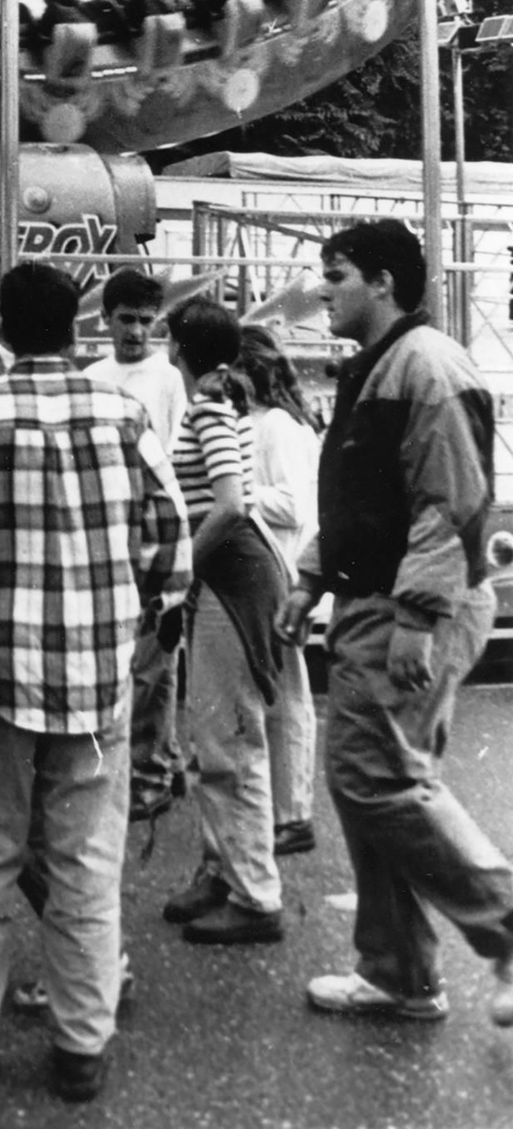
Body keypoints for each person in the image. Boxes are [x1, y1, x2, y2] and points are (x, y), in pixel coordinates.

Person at [0, 261, 190, 1104]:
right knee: (85, 862)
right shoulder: (124, 413)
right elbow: (167, 536)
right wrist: (146, 620)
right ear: (80, 324)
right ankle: (80, 1043)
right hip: (97, 676)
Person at [278, 219, 513, 1026]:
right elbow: (363, 499)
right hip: (383, 600)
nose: (322, 290)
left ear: (382, 281)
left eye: (335, 274)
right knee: (373, 781)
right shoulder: (384, 366)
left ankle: (502, 926)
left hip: (408, 606)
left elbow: (448, 501)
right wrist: (311, 576)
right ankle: (397, 972)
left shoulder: (423, 367)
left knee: (376, 779)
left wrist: (415, 612)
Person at [161, 297, 286, 947]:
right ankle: (221, 869)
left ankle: (255, 895)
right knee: (213, 730)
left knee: (229, 740)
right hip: (232, 576)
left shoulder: (208, 406)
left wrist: (177, 569)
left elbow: (230, 506)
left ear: (178, 346)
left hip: (231, 579)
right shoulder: (222, 398)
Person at [84, 267, 188, 824]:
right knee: (122, 659)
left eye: (147, 322)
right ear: (106, 319)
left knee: (153, 662)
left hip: (148, 523)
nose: (136, 332)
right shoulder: (95, 373)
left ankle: (151, 773)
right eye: (126, 320)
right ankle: (152, 761)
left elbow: (166, 458)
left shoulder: (165, 377)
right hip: (107, 526)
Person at [237, 323, 320, 859]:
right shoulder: (266, 422)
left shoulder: (278, 427)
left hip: (281, 570)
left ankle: (293, 813)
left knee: (287, 696)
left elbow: (294, 505)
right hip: (267, 571)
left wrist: (239, 494)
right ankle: (284, 808)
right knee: (276, 693)